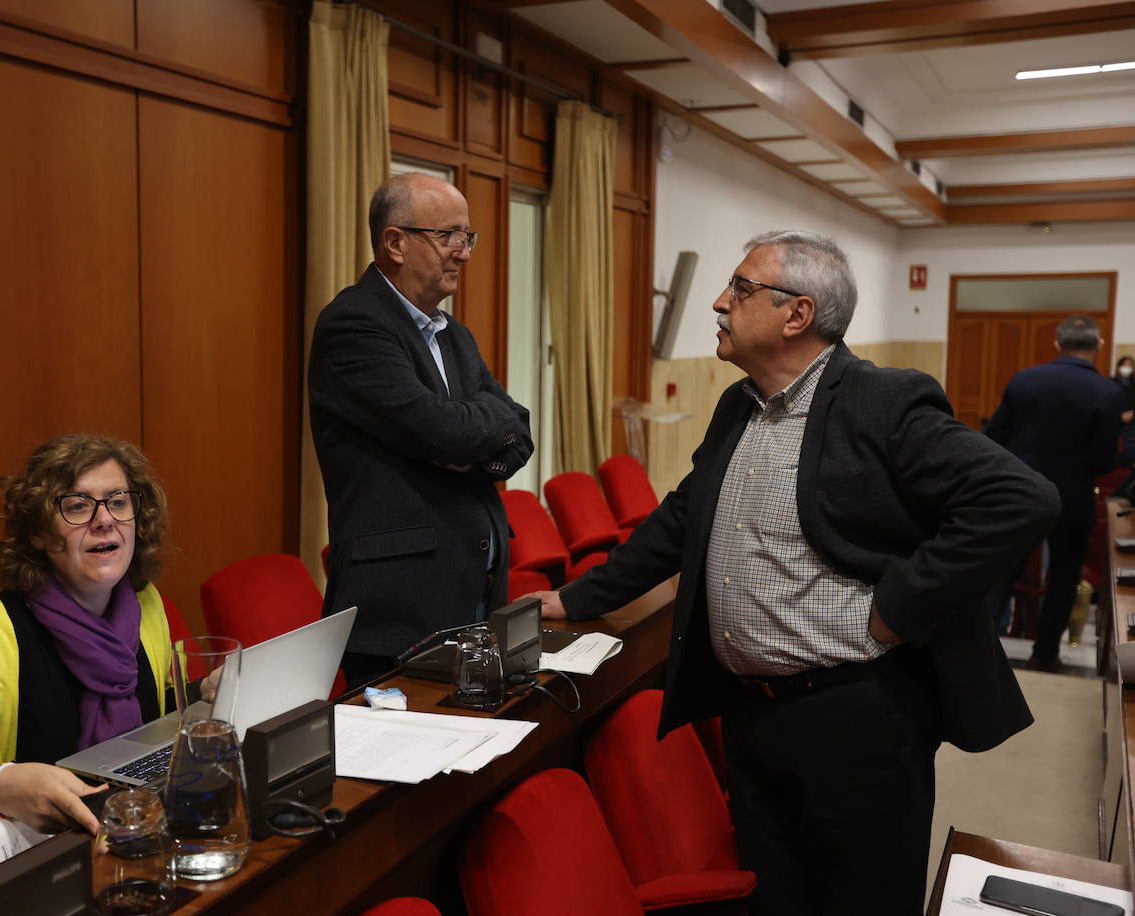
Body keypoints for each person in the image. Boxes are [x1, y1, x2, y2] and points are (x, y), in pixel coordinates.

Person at [531, 230, 1058, 915]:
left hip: (858, 718)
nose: (720, 303)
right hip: (752, 715)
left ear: (796, 314)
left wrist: (894, 609)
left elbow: (1020, 499)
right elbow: (680, 520)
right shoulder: (737, 406)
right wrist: (575, 598)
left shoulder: (882, 401)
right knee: (775, 899)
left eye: (741, 289)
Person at [0, 433, 176, 899]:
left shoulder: (144, 604)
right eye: (78, 506)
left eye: (118, 502)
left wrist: (206, 689)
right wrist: (1, 785)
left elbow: (152, 723)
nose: (105, 521)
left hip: (115, 859)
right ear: (40, 534)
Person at [308, 173, 532, 688]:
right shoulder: (354, 325)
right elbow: (444, 433)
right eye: (449, 236)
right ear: (395, 243)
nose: (464, 253)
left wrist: (471, 442)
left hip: (474, 596)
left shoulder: (454, 334)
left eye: (468, 237)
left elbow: (518, 430)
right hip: (400, 610)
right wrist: (465, 437)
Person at [984, 316, 1126, 669]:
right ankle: (1045, 655)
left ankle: (981, 648)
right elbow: (1105, 460)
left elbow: (994, 437)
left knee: (1001, 570)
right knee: (1063, 577)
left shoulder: (1025, 380)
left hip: (1019, 492)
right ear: (1099, 346)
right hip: (1073, 497)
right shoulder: (1108, 392)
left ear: (1057, 344)